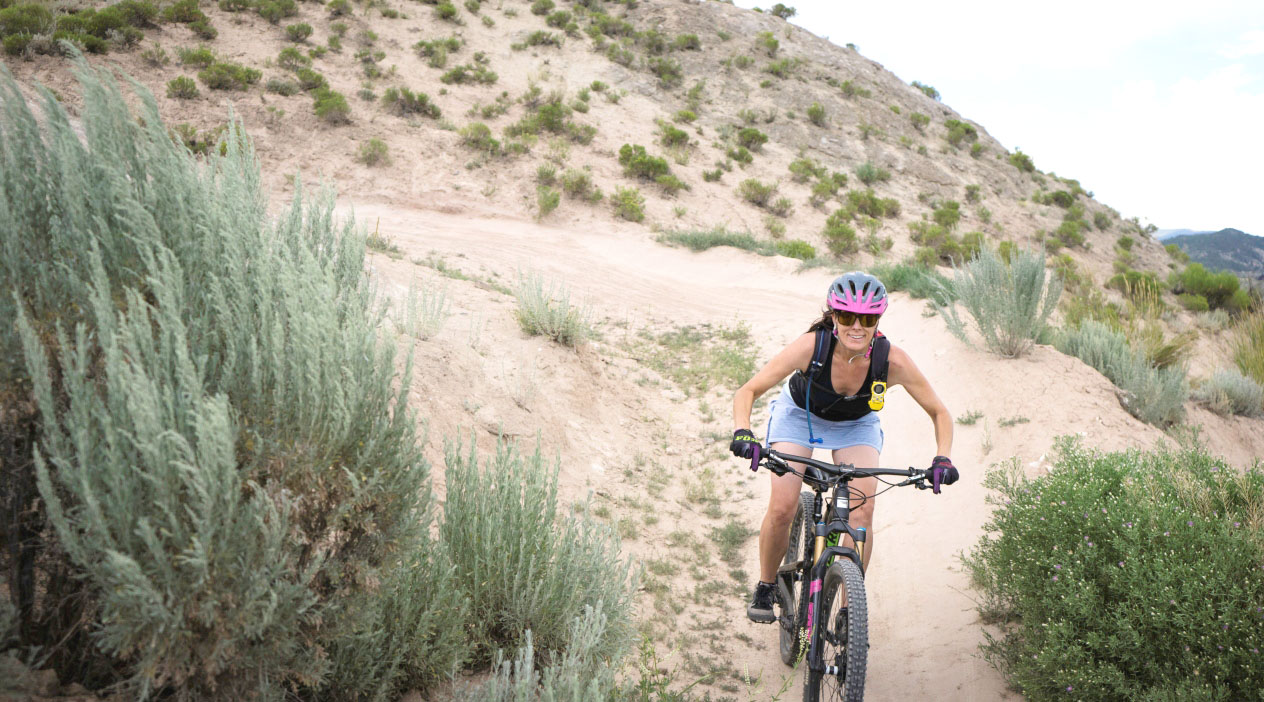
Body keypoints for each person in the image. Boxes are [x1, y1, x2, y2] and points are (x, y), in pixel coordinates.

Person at [729, 271, 958, 623]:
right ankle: (765, 583)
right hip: (799, 416)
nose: (857, 326)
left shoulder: (891, 361)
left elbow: (939, 411)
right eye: (847, 316)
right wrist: (744, 432)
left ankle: (850, 608)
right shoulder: (812, 346)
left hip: (855, 426)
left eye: (866, 319)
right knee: (783, 506)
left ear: (877, 320)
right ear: (834, 316)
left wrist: (943, 457)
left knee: (861, 513)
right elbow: (747, 391)